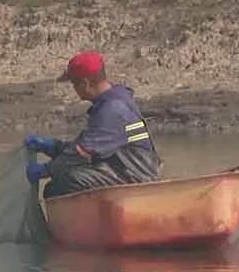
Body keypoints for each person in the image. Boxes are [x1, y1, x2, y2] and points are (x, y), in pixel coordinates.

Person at [24, 51, 163, 198]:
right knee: (65, 172)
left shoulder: (112, 109)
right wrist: (55, 147)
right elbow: (88, 147)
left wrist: (46, 170)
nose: (74, 89)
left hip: (136, 175)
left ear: (85, 84)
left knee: (60, 185)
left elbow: (81, 153)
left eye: (74, 84)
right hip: (125, 168)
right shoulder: (111, 101)